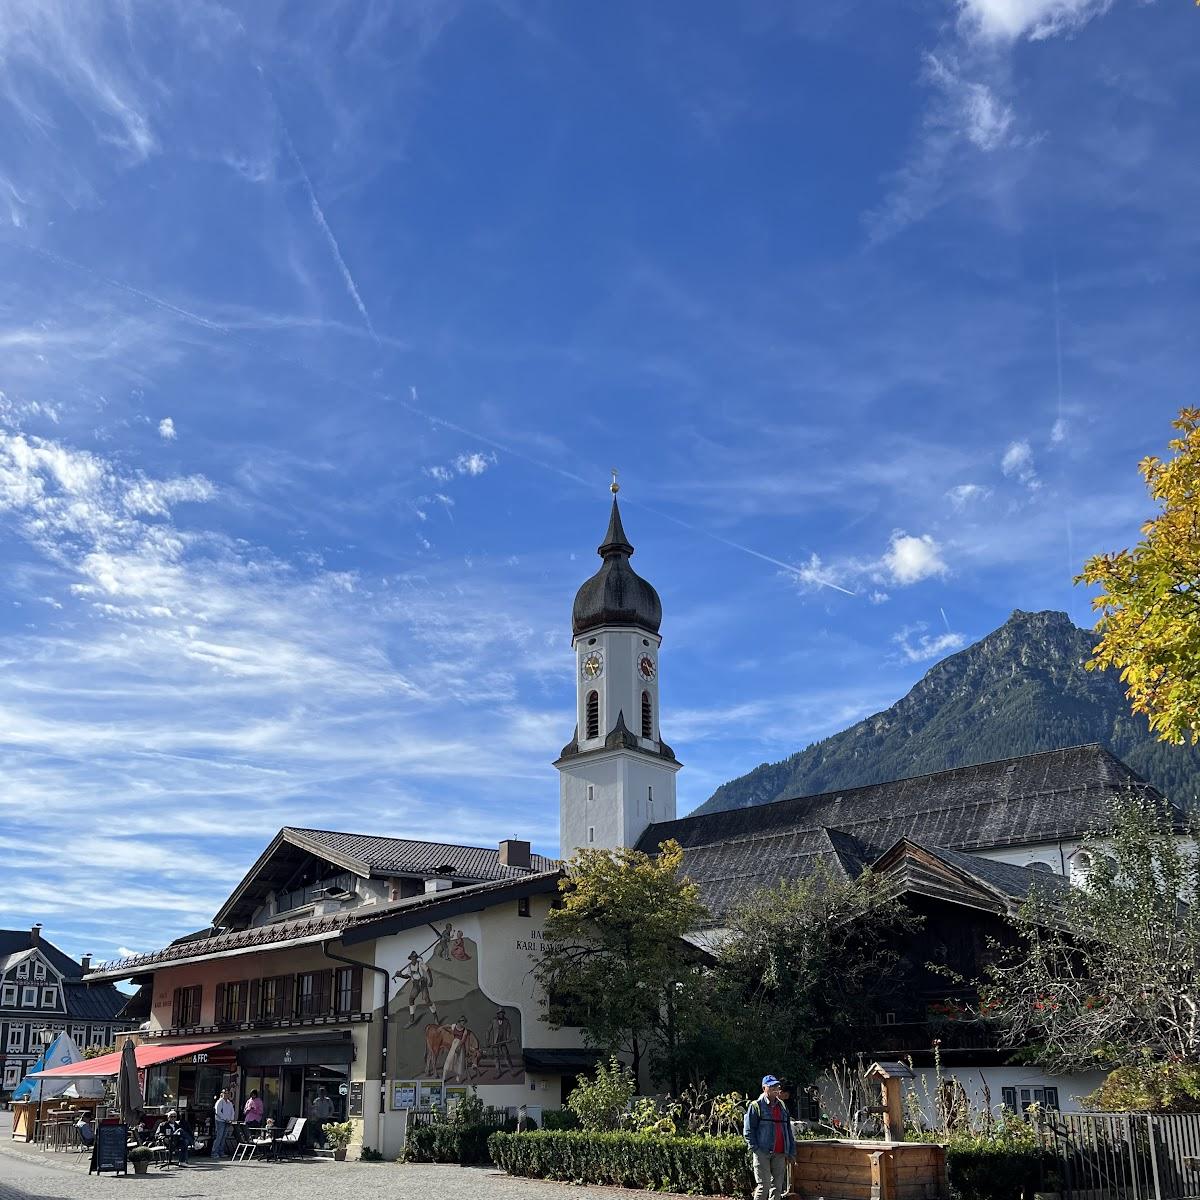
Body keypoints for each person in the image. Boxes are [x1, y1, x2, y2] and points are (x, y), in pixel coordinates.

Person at [744, 1075, 796, 1200]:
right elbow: (748, 1130)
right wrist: (756, 1149)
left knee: (777, 1187)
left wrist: (791, 1152)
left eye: (777, 1086)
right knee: (764, 1186)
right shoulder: (755, 1106)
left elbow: (788, 1130)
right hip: (763, 1152)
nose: (775, 1088)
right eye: (771, 1086)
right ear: (764, 1088)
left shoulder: (782, 1106)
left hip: (780, 1152)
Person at [211, 1087, 235, 1158]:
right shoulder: (219, 1101)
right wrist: (225, 1119)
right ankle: (214, 1153)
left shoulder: (229, 1103)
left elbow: (232, 1112)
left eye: (227, 1093)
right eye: (225, 1093)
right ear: (222, 1093)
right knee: (219, 1137)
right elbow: (218, 1112)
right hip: (220, 1121)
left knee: (223, 1137)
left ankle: (221, 1152)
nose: (226, 1094)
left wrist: (231, 1119)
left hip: (227, 1122)